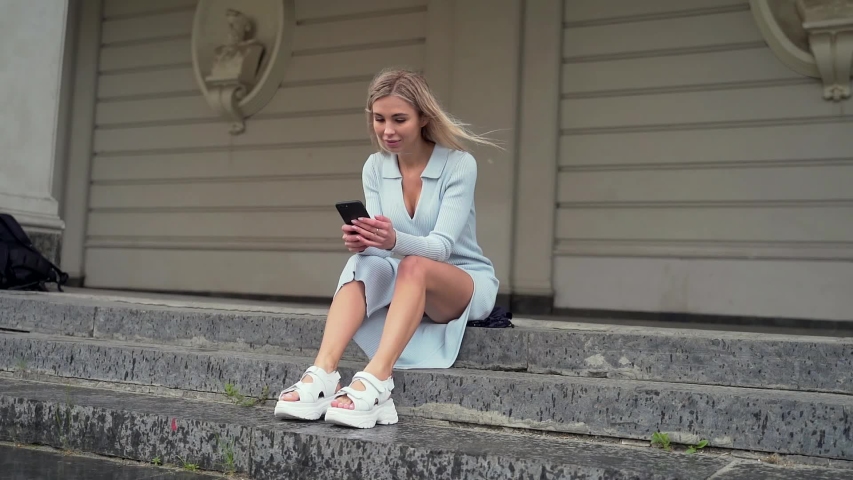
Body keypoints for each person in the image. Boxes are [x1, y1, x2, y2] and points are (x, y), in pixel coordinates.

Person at [273, 68, 500, 429]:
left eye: (399, 119)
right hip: (406, 279)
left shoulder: (459, 164)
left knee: (414, 264)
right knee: (362, 265)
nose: (388, 131)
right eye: (379, 119)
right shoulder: (375, 167)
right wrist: (365, 243)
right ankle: (323, 374)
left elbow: (440, 249)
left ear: (424, 118)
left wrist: (392, 241)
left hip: (463, 282)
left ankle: (377, 380)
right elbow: (382, 255)